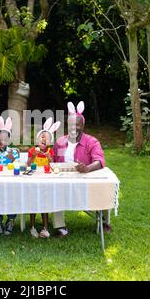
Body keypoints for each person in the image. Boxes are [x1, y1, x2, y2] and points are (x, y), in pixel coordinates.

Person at [52, 101, 107, 238]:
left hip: (86, 179)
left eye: (76, 125)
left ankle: (103, 222)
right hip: (64, 179)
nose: (73, 128)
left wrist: (87, 168)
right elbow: (54, 162)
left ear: (82, 125)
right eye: (70, 125)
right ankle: (60, 227)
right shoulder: (60, 142)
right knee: (54, 190)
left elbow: (99, 161)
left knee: (105, 187)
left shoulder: (92, 142)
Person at [27, 117, 61, 238]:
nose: (43, 139)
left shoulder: (50, 151)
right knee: (33, 202)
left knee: (44, 203)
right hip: (33, 179)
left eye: (46, 138)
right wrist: (32, 156)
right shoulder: (32, 150)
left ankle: (45, 228)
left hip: (45, 180)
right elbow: (28, 164)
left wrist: (48, 157)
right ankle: (32, 226)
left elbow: (52, 165)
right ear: (37, 140)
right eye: (42, 137)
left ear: (49, 142)